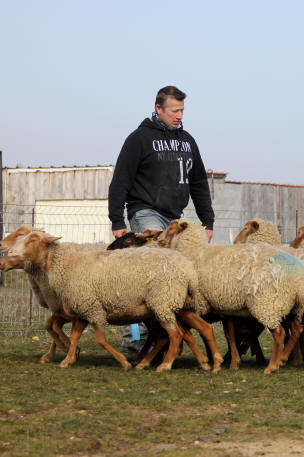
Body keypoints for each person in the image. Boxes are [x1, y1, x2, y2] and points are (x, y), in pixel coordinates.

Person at [108, 85, 215, 355]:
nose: (179, 115)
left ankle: (161, 343)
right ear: (159, 109)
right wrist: (117, 220)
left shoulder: (188, 141)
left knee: (168, 281)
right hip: (145, 212)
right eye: (174, 110)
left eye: (182, 110)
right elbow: (121, 179)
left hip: (173, 218)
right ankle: (134, 344)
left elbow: (199, 181)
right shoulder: (140, 139)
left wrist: (207, 220)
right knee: (146, 278)